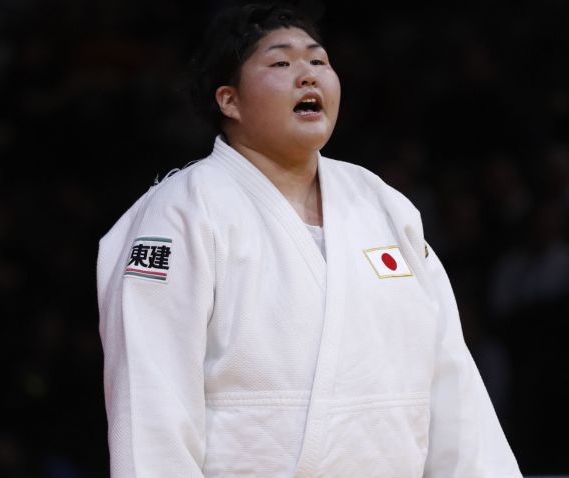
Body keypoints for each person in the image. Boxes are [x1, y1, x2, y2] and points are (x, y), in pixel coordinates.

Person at [96, 4, 521, 477]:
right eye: (281, 63)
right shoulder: (181, 212)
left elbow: (452, 382)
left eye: (318, 61)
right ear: (229, 101)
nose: (307, 75)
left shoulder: (382, 205)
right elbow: (151, 400)